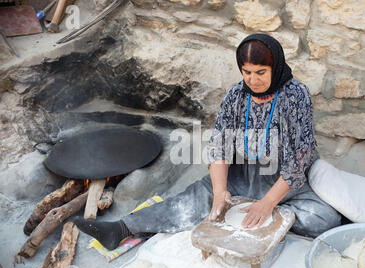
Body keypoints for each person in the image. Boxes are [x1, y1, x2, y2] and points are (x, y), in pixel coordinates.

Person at [73, 33, 342, 250]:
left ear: (276, 67)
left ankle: (266, 213)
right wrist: (220, 191)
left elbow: (300, 157)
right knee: (196, 199)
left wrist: (268, 203)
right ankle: (122, 228)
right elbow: (219, 146)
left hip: (284, 180)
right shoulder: (237, 95)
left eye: (261, 72)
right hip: (243, 174)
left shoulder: (296, 96)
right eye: (247, 72)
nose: (253, 80)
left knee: (324, 219)